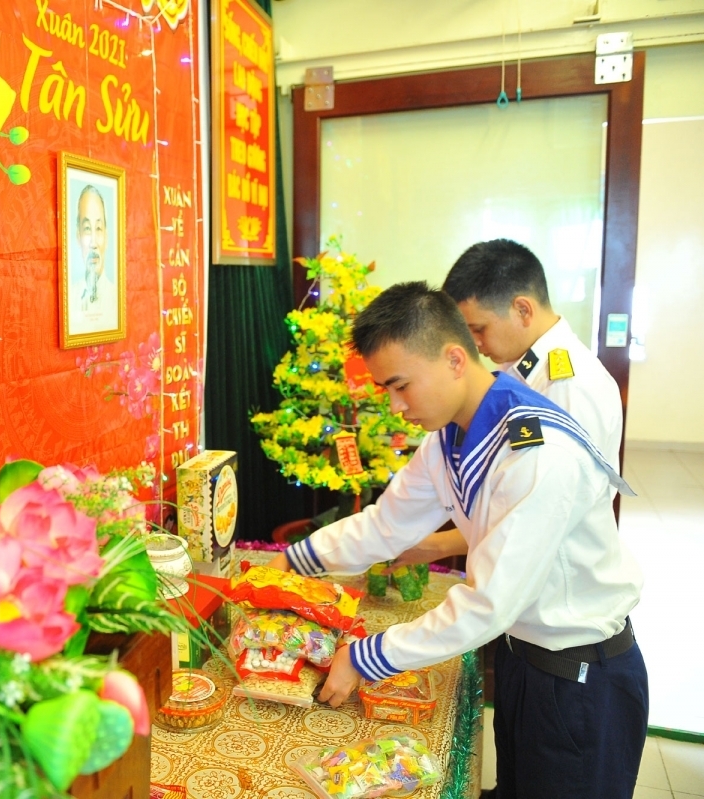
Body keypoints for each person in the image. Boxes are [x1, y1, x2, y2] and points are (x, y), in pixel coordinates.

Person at [267, 282, 647, 799]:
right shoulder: (448, 437)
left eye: (401, 385)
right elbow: (386, 525)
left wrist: (365, 656)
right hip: (524, 657)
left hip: (580, 675)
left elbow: (485, 604)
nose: (396, 406)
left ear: (452, 359)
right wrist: (292, 564)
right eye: (386, 390)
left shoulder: (535, 450)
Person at [395, 239, 623, 567]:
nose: (471, 342)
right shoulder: (514, 367)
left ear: (522, 310)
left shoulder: (569, 383)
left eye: (478, 328)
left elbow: (551, 508)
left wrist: (436, 545)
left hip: (558, 588)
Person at [68, 184, 117, 334]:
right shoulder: (70, 298)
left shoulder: (117, 300)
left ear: (106, 237)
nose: (93, 243)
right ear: (78, 236)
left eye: (99, 229)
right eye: (88, 229)